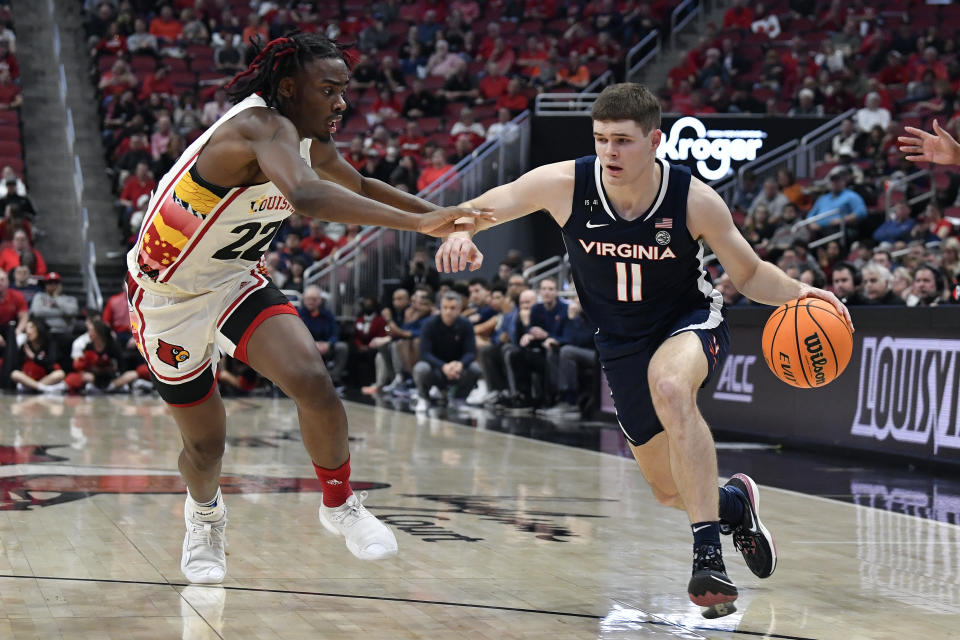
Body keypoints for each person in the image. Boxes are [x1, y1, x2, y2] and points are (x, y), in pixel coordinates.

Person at [435, 83, 852, 616]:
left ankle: (708, 559)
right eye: (601, 139)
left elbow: (746, 274)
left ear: (654, 140)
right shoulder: (566, 183)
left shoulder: (693, 199)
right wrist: (464, 229)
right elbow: (485, 204)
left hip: (689, 320)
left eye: (623, 141)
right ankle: (733, 504)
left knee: (673, 388)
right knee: (667, 489)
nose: (609, 152)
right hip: (620, 341)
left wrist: (798, 291)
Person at [125, 33, 491, 585]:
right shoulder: (259, 128)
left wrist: (439, 213)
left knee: (312, 379)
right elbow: (307, 197)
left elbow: (361, 183)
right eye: (330, 89)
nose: (342, 102)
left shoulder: (304, 136)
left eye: (344, 89)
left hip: (231, 282)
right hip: (165, 298)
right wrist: (419, 225)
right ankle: (204, 516)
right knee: (205, 445)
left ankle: (339, 504)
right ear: (290, 88)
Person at [412, 292, 482, 412]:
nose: (448, 312)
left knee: (475, 368)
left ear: (459, 309)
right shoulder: (429, 324)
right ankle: (424, 398)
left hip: (457, 369)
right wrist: (443, 366)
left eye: (452, 308)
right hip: (436, 368)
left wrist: (460, 364)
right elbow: (424, 353)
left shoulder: (466, 324)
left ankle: (459, 399)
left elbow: (470, 352)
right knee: (420, 368)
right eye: (445, 308)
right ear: (441, 308)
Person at [298, 285, 348, 386]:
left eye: (314, 299)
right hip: (307, 347)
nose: (311, 301)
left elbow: (335, 333)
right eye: (308, 299)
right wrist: (313, 344)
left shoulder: (328, 315)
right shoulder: (298, 315)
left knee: (342, 347)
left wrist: (329, 344)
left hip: (325, 346)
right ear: (304, 300)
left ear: (320, 300)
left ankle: (333, 379)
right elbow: (297, 335)